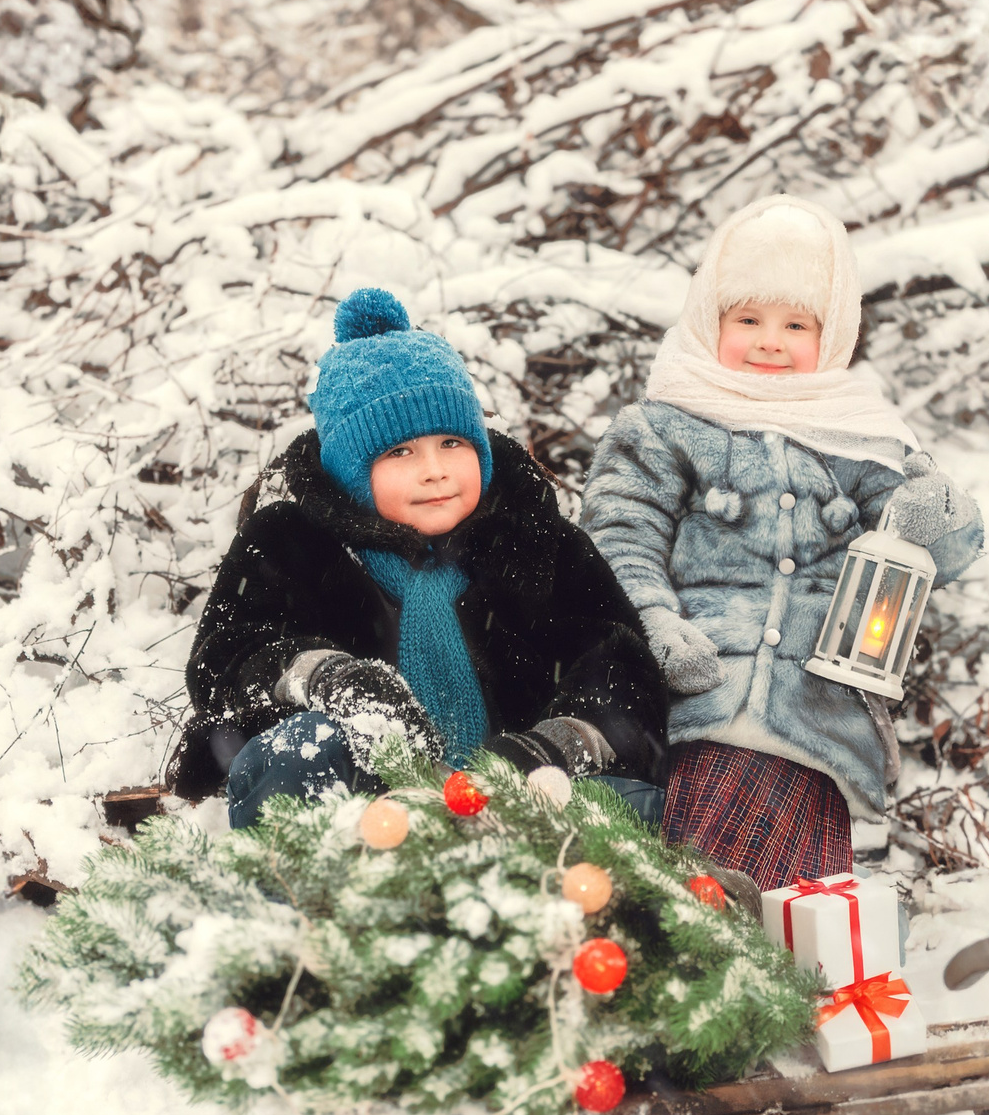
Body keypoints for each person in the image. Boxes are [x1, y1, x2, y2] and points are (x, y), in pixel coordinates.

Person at [578, 196, 983, 890]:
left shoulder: (860, 436)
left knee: (799, 914)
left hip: (818, 719)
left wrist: (934, 517)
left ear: (831, 334)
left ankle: (796, 978)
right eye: (749, 319)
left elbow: (931, 555)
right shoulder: (667, 424)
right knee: (705, 886)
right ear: (712, 318)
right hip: (700, 705)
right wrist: (655, 621)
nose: (771, 340)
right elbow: (620, 533)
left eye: (796, 323)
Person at [167, 288, 672, 828]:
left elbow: (620, 664)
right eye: (400, 452)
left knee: (627, 805)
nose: (434, 469)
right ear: (351, 472)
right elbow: (226, 655)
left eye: (453, 443)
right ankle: (316, 893)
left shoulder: (534, 541)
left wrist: (553, 745)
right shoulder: (292, 544)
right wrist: (325, 676)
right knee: (298, 754)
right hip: (360, 803)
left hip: (518, 797)